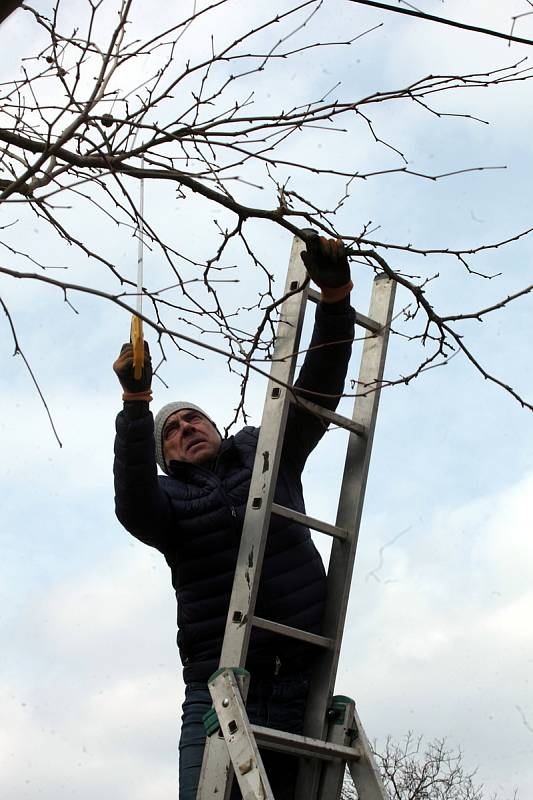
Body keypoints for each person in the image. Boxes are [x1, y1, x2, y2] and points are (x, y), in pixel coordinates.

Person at [112, 235, 356, 799]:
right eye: (171, 431)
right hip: (217, 687)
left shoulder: (263, 449)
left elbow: (317, 391)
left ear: (216, 427)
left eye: (193, 419)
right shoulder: (167, 502)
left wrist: (336, 297)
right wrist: (135, 407)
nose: (185, 429)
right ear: (165, 458)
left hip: (298, 678)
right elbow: (132, 501)